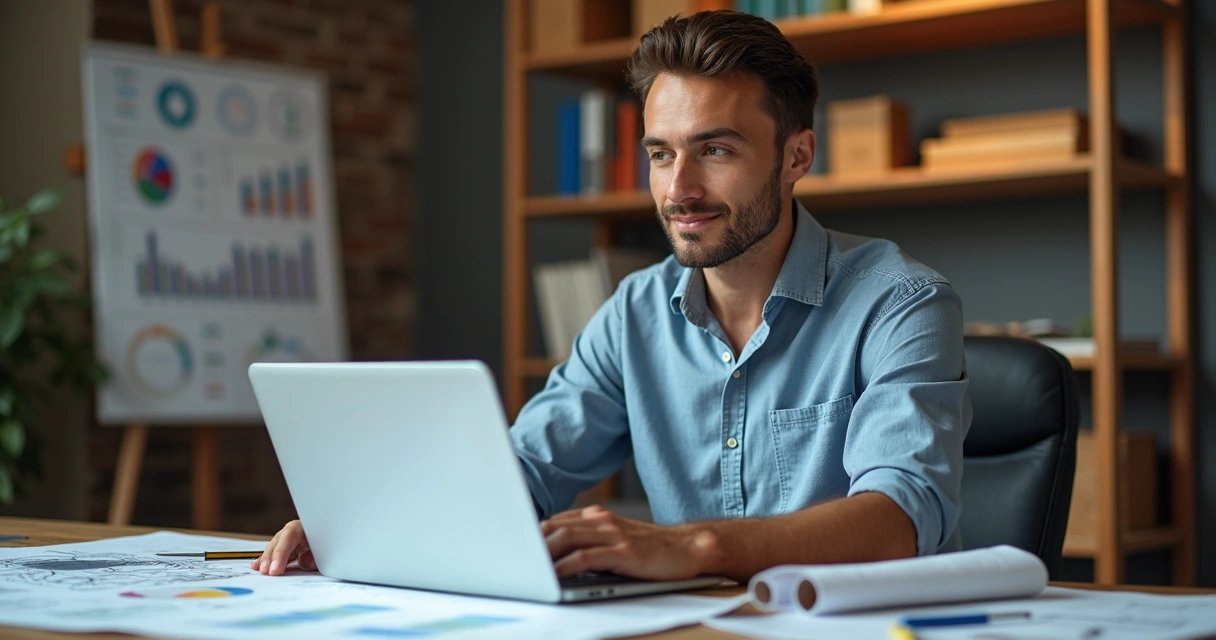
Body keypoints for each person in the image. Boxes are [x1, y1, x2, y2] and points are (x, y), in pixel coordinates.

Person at [254, 10, 970, 583]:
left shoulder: (901, 302)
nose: (678, 189)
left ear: (796, 156)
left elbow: (899, 519)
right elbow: (526, 470)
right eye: (661, 153)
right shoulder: (634, 311)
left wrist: (690, 545)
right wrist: (371, 526)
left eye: (715, 150)